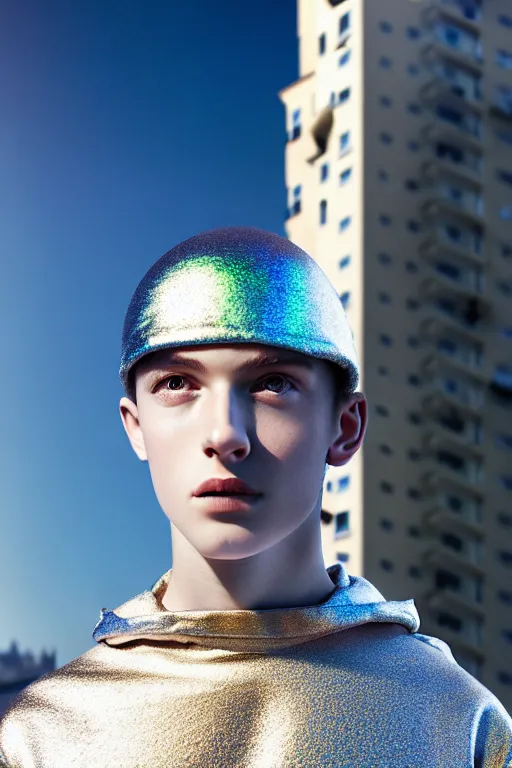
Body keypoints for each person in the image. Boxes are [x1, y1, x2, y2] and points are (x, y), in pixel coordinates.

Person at [0, 226, 511, 767]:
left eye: (273, 383)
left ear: (345, 426)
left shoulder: (458, 724)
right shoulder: (40, 737)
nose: (224, 433)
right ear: (135, 426)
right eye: (177, 383)